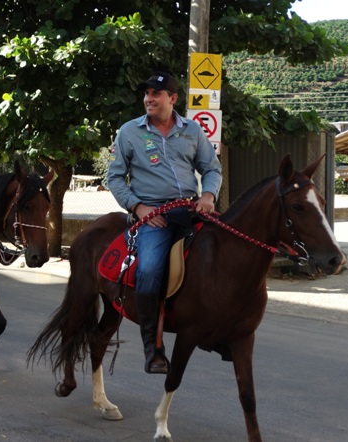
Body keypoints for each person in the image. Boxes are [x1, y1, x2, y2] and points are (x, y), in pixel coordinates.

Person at [107, 71, 222, 374]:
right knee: (149, 270)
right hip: (154, 216)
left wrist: (208, 195)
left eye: (156, 93)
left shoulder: (192, 130)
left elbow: (211, 168)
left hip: (192, 210)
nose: (149, 99)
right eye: (147, 93)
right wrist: (139, 207)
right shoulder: (129, 132)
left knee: (226, 257)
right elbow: (114, 178)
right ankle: (153, 349)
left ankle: (219, 332)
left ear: (172, 98)